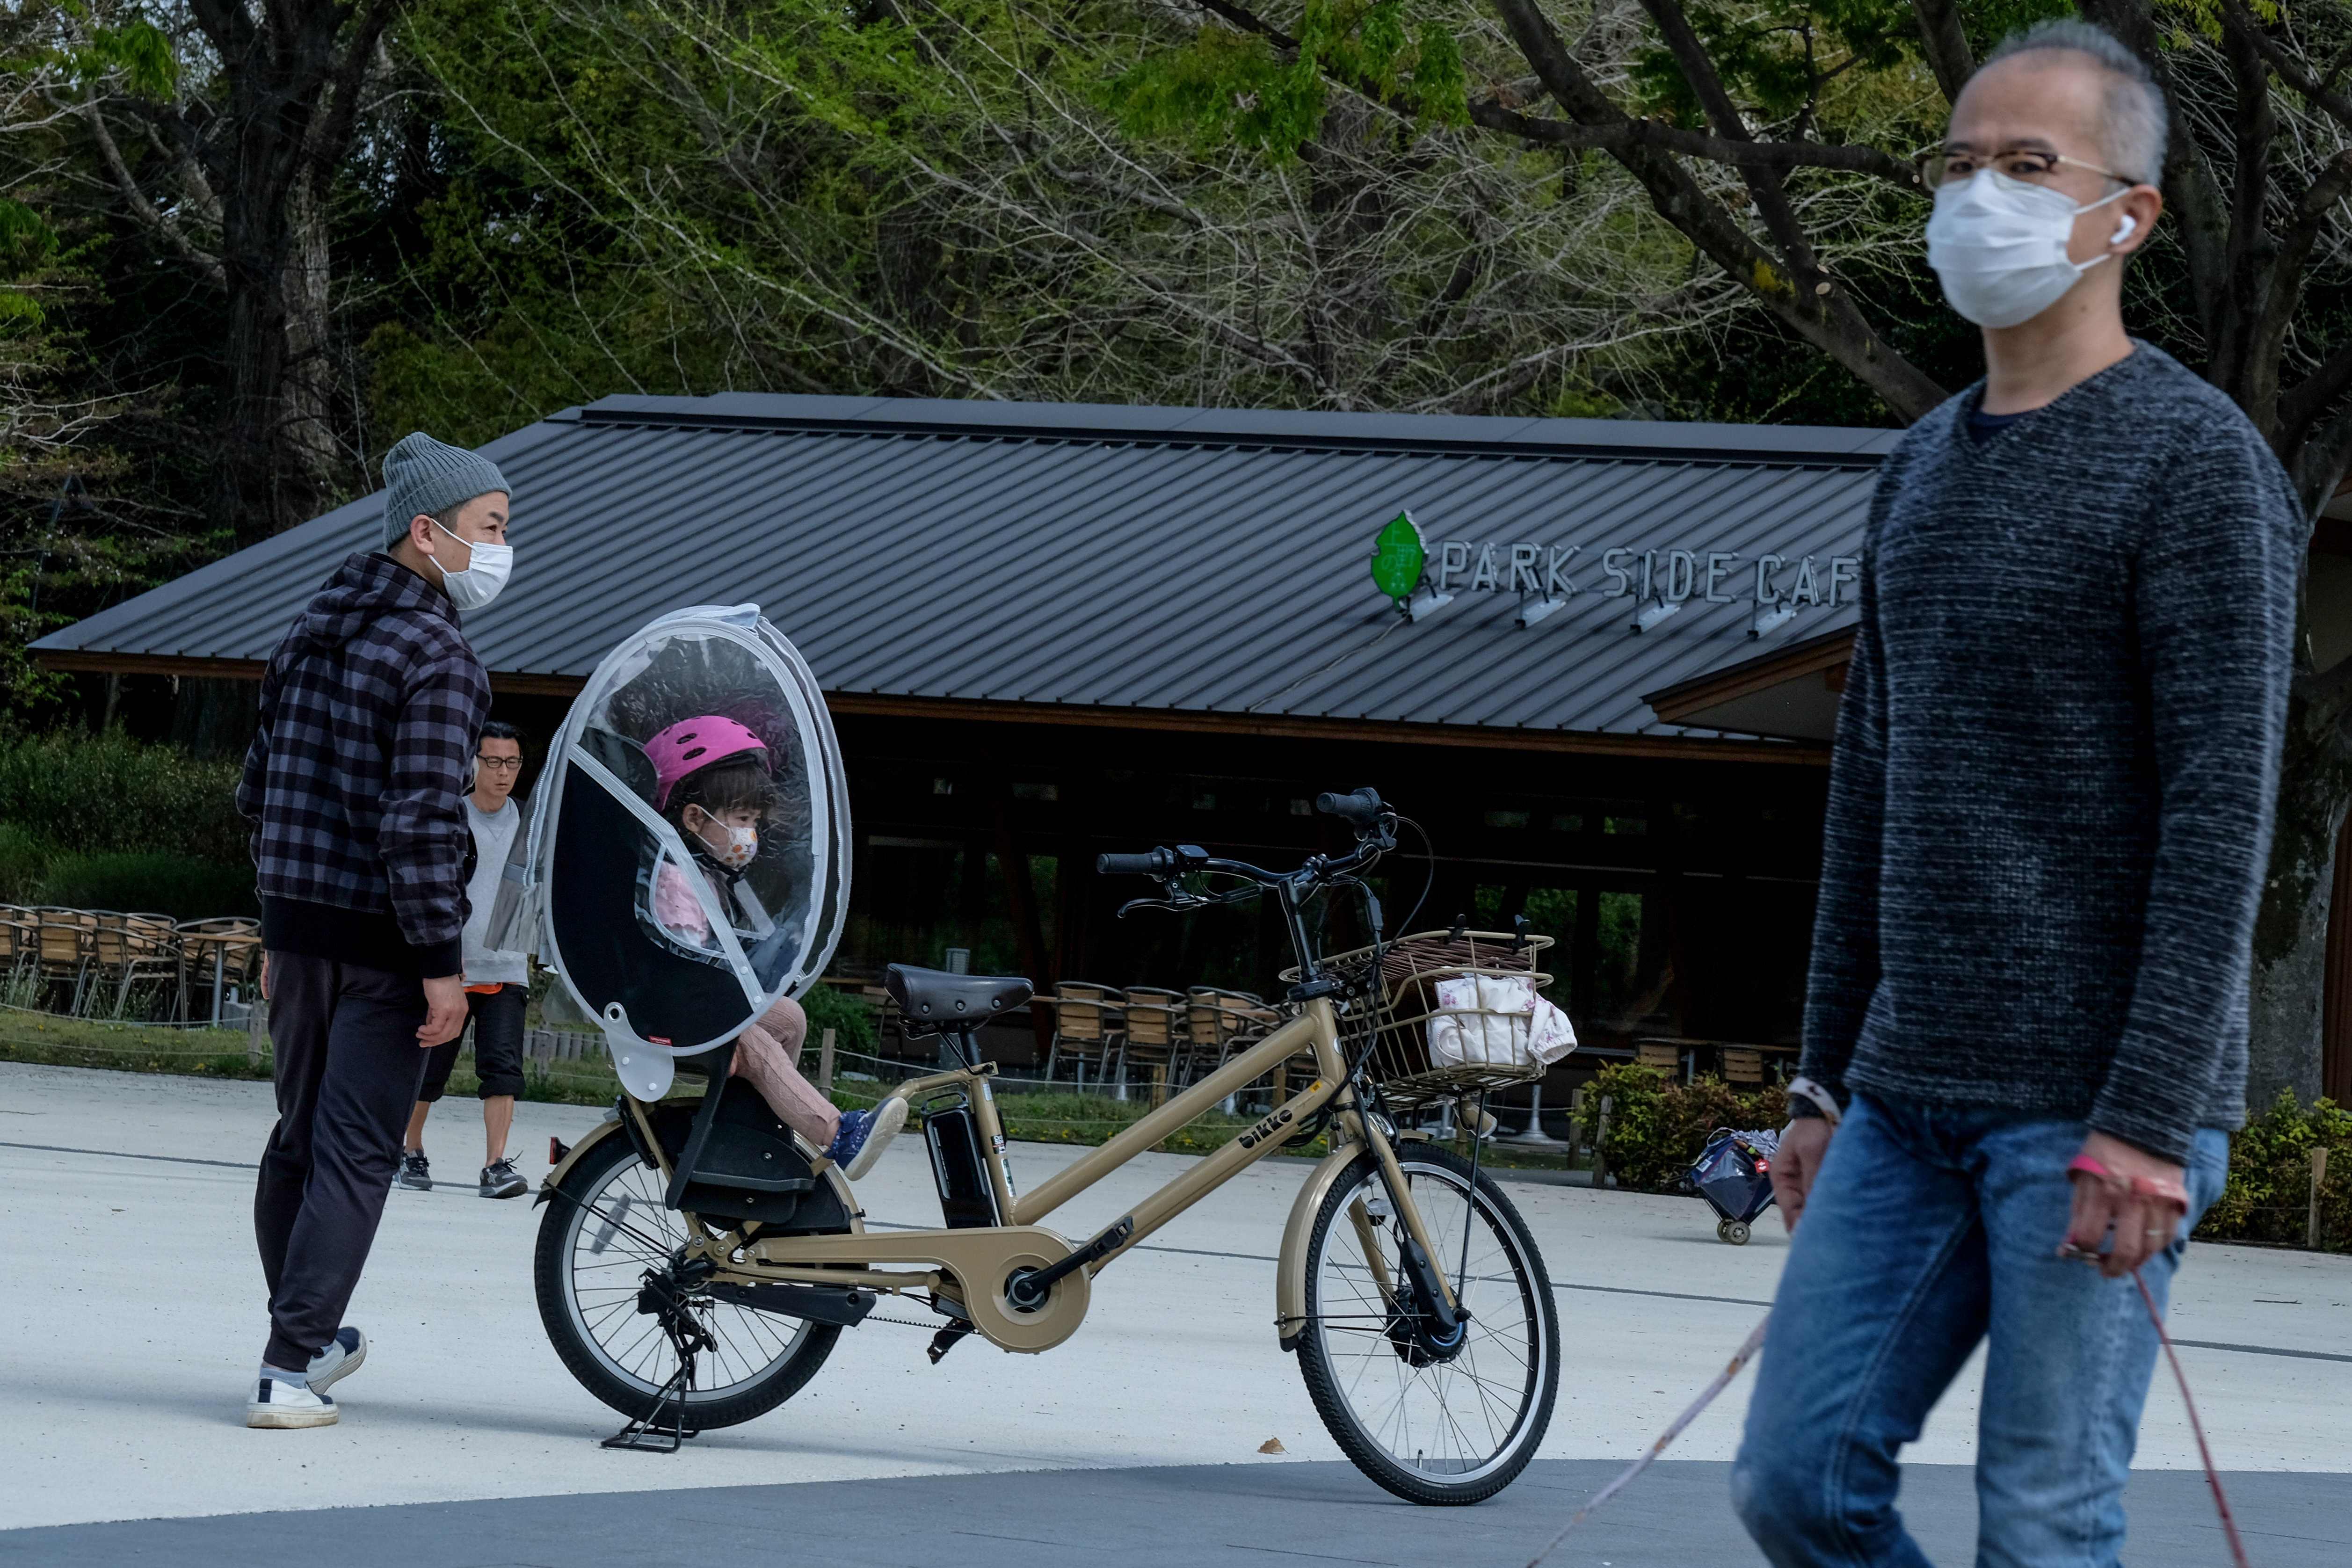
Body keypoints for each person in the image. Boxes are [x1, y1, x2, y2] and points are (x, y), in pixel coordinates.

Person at [1731, 21, 2302, 1566]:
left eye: (2023, 166)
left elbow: (2216, 817)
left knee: (2041, 1523)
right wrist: (1814, 1081)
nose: (1975, 195)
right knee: (1789, 1483)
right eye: (1956, 164)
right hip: (1901, 1095)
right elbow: (1869, 784)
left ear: (2123, 214)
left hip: (2093, 1109)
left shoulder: (2195, 464)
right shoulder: (1914, 465)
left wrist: (2147, 1118)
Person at [237, 430, 513, 1430]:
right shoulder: (438, 653)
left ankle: (305, 1334)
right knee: (358, 1152)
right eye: (490, 527)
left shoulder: (310, 627)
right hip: (386, 943)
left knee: (299, 1140)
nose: (500, 547)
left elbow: (259, 788)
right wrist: (441, 962)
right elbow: (420, 821)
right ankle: (288, 1365)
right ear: (426, 531)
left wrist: (276, 928)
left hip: (301, 932)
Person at [645, 714, 903, 1179]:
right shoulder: (675, 879)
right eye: (743, 819)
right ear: (694, 818)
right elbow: (686, 961)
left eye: (755, 822)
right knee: (756, 1039)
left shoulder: (709, 874)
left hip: (699, 1006)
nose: (752, 835)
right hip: (677, 1013)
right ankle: (834, 1132)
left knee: (787, 1016)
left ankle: (761, 1120)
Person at [400, 721, 531, 1198]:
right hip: (451, 968)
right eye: (492, 761)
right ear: (473, 764)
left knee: (503, 1070)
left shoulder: (528, 823)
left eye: (511, 762)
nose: (501, 772)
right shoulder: (452, 816)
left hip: (507, 967)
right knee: (429, 1070)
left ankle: (496, 1164)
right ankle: (409, 1148)